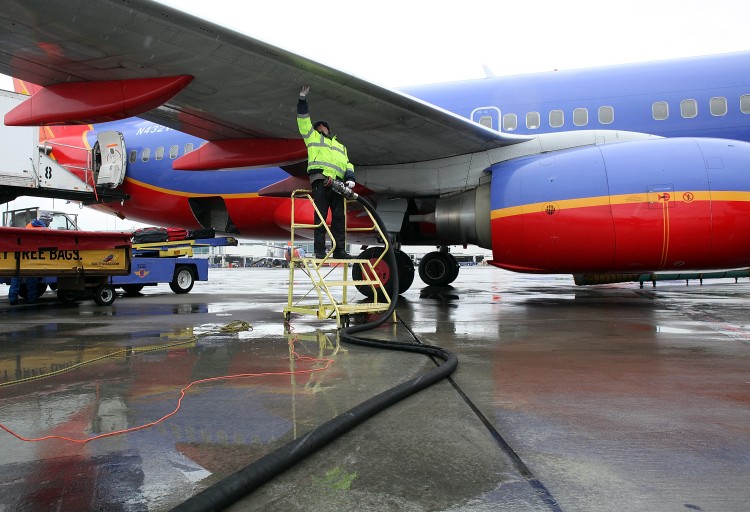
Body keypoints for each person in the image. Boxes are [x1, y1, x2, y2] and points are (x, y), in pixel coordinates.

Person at [297, 85, 355, 259]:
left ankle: (339, 250)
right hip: (321, 179)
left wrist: (350, 178)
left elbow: (348, 164)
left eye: (323, 126)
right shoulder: (312, 137)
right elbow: (303, 120)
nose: (321, 127)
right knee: (321, 217)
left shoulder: (340, 146)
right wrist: (302, 100)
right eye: (318, 126)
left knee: (339, 218)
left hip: (338, 183)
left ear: (329, 129)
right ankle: (320, 251)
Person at [8, 212, 51, 305]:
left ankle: (12, 298)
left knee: (16, 276)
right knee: (31, 278)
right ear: (47, 221)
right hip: (33, 257)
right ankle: (32, 298)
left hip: (21, 255)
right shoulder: (45, 229)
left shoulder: (29, 225)